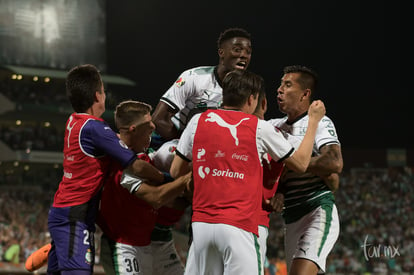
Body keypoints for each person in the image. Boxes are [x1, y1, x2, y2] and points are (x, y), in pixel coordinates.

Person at [169, 70, 327, 275]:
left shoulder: (198, 121)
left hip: (201, 226)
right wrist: (313, 121)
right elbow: (301, 163)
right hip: (240, 226)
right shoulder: (259, 127)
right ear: (253, 98)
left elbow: (175, 171)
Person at [46, 64, 170, 275]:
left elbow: (115, 143)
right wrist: (165, 177)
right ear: (98, 95)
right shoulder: (95, 127)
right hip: (76, 217)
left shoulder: (74, 121)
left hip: (65, 213)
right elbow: (136, 165)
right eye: (103, 90)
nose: (105, 95)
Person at [97, 100, 192, 275]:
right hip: (122, 245)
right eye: (148, 124)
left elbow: (169, 202)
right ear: (134, 129)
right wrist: (188, 178)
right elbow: (156, 198)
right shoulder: (124, 167)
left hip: (146, 244)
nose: (153, 127)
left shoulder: (144, 156)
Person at [267, 65, 343, 275]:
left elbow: (334, 162)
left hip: (317, 209)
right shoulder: (274, 126)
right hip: (291, 217)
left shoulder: (320, 123)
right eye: (280, 84)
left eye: (287, 84)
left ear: (305, 94)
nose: (279, 90)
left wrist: (291, 162)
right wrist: (280, 189)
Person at [151, 27, 252, 148]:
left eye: (248, 52)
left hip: (208, 147)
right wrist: (187, 145)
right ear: (221, 53)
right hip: (170, 142)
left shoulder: (246, 90)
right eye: (237, 50)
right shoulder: (194, 77)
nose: (244, 56)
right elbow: (158, 119)